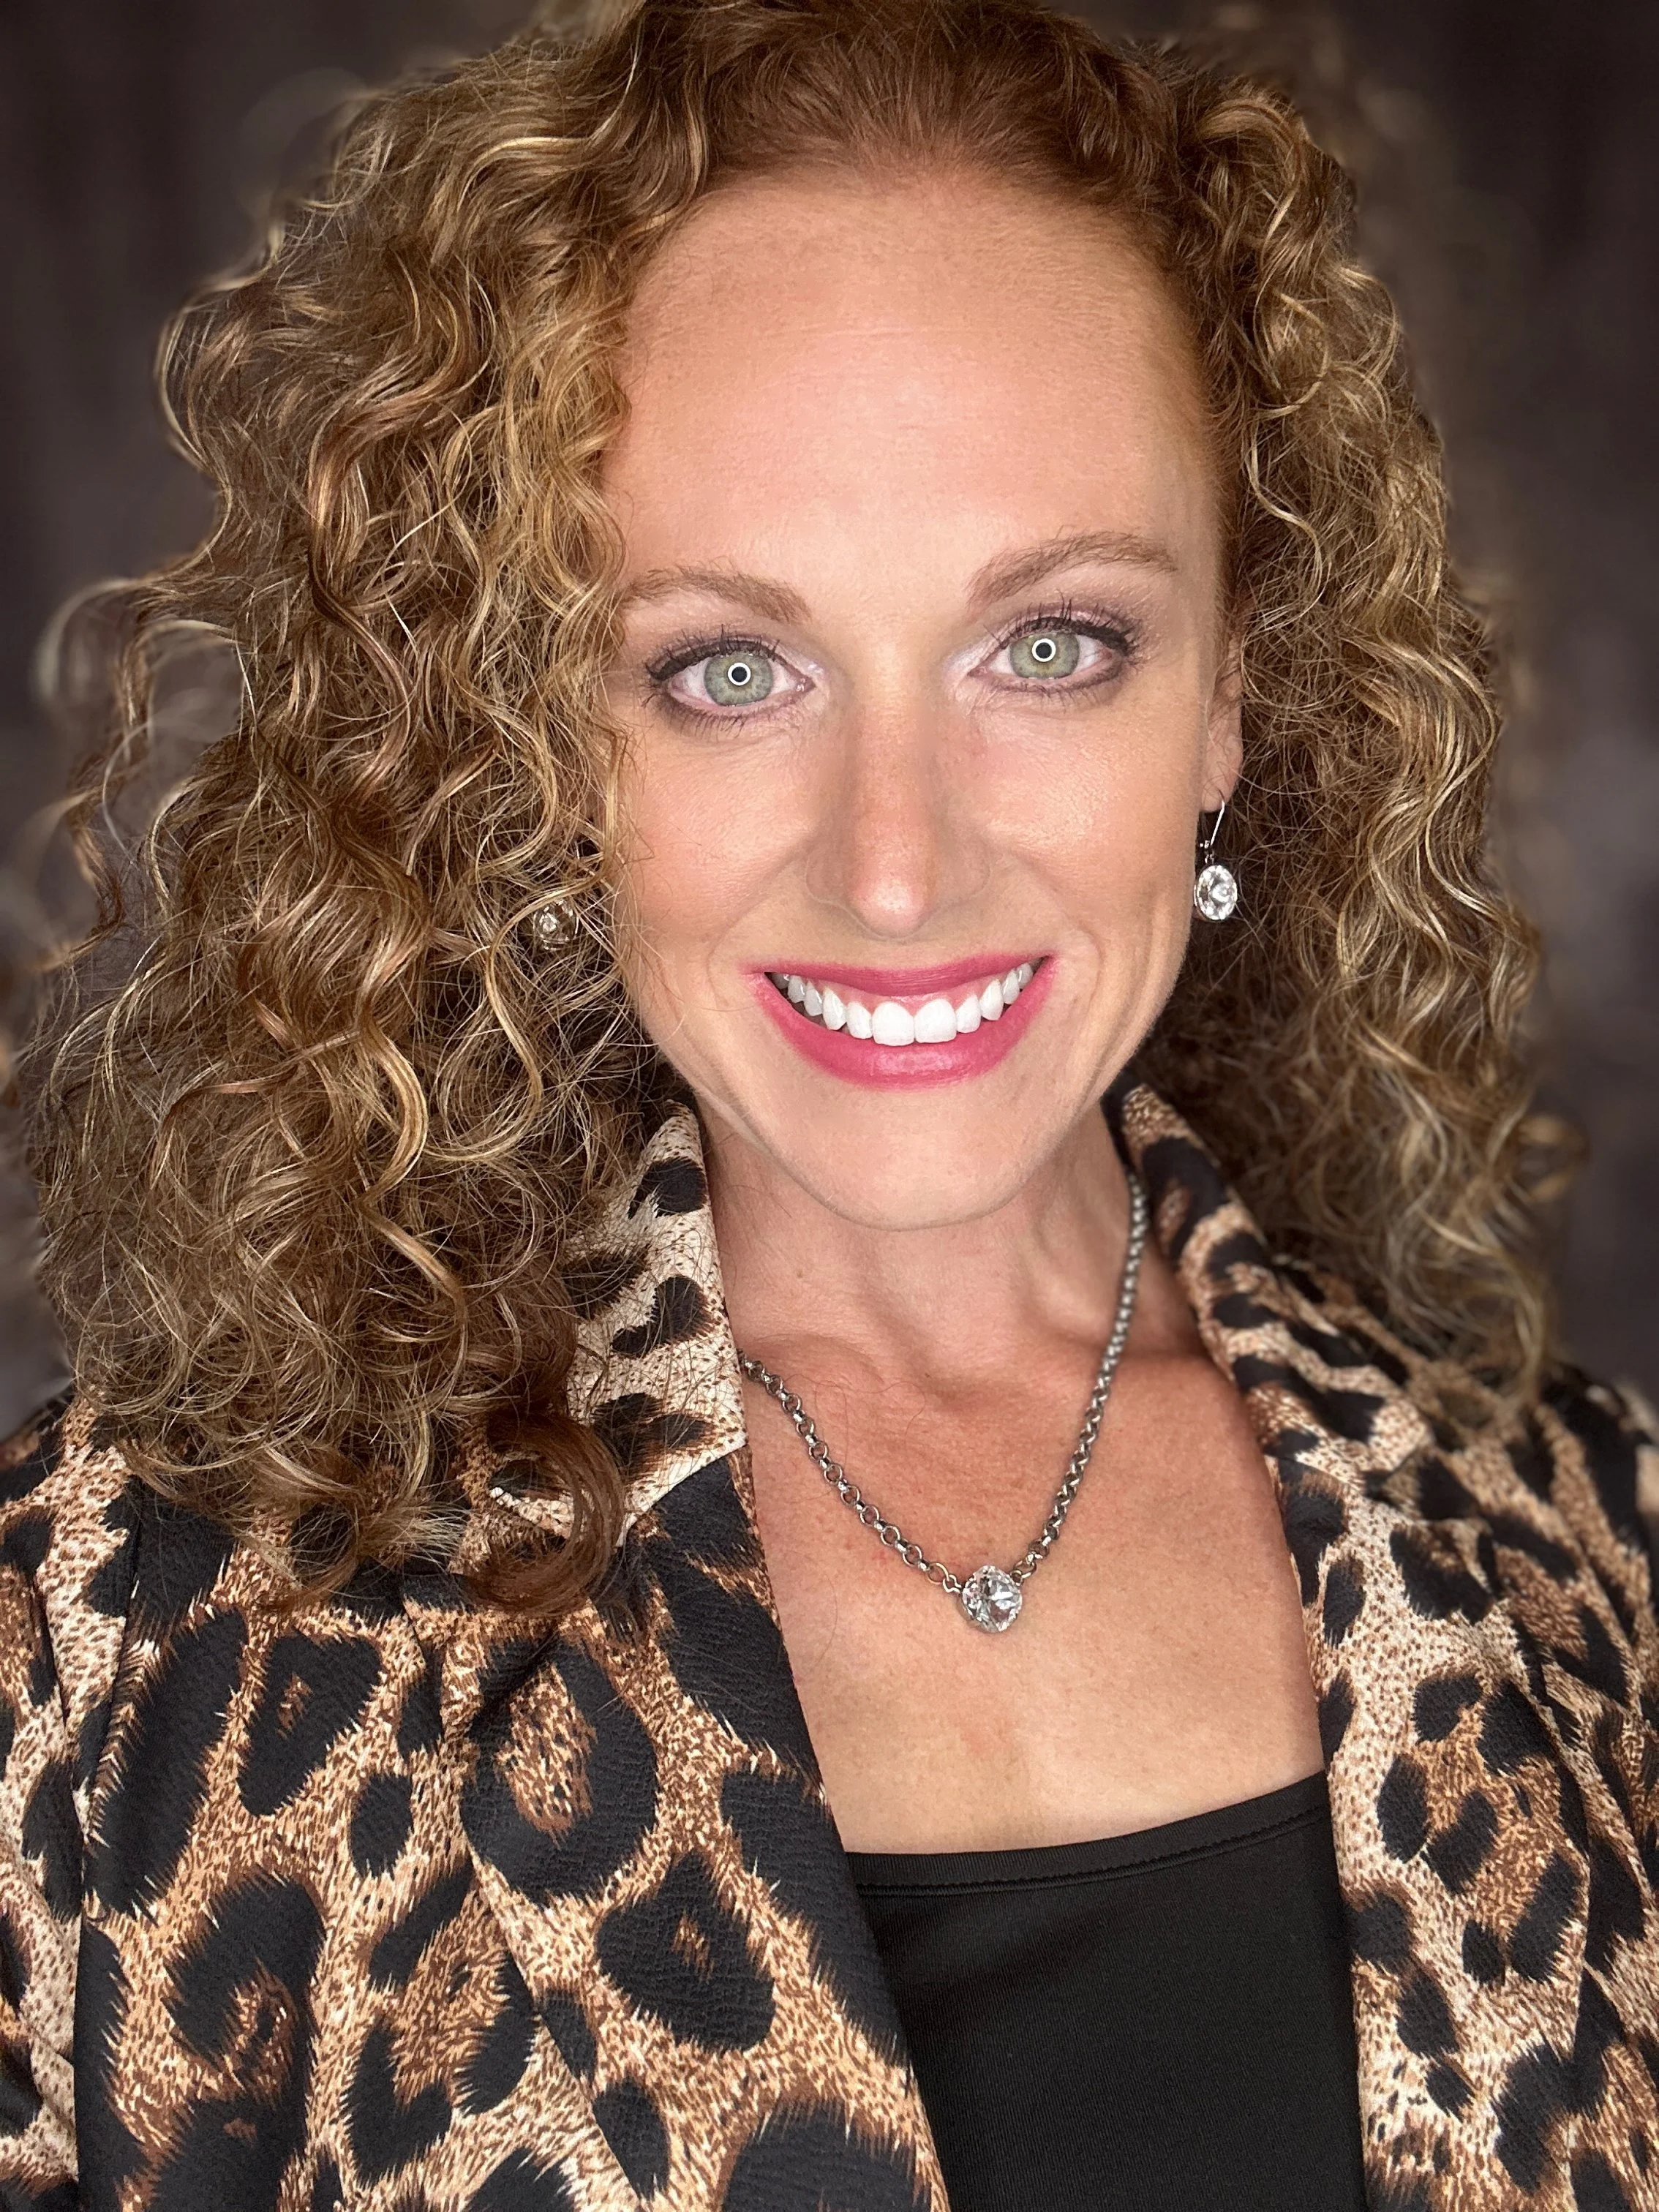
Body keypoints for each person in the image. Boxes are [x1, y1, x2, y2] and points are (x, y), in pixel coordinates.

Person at [3, 0, 1655, 2205]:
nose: (897, 866)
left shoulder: (1602, 1567)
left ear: (1229, 702)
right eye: (726, 668)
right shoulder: (119, 1644)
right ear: (534, 736)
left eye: (1047, 644)